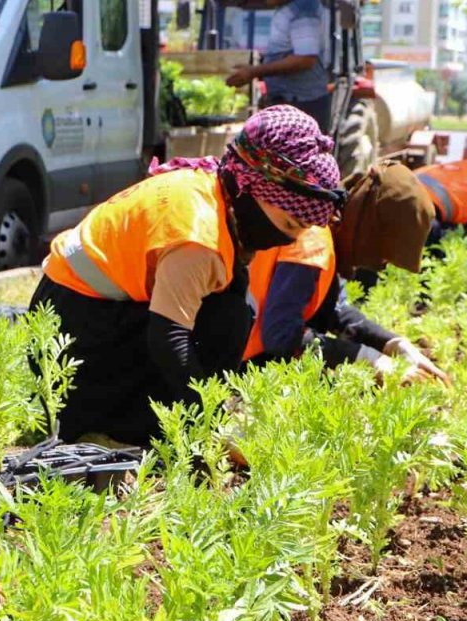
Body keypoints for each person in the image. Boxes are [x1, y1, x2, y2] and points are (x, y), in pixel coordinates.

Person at [30, 105, 344, 447]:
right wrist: (210, 422)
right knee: (226, 321)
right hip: (70, 341)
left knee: (230, 308)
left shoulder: (214, 187)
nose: (288, 239)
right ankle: (119, 430)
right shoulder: (199, 237)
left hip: (80, 311)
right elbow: (168, 339)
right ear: (251, 188)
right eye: (288, 224)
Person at [240, 159, 450, 384]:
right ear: (369, 231)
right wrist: (368, 359)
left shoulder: (326, 233)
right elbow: (281, 336)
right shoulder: (312, 243)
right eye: (383, 254)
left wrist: (394, 344)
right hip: (236, 365)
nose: (380, 265)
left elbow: (335, 311)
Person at [225, 0, 332, 133]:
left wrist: (254, 71)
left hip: (302, 106)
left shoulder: (303, 8)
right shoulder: (289, 8)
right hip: (290, 103)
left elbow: (305, 59)